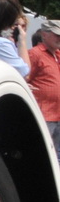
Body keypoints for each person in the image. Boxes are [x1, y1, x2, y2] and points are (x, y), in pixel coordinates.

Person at [26, 20, 60, 150]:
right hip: (44, 115)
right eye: (57, 35)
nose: (59, 38)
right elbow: (25, 78)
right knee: (43, 151)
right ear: (44, 35)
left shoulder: (58, 54)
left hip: (57, 115)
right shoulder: (35, 54)